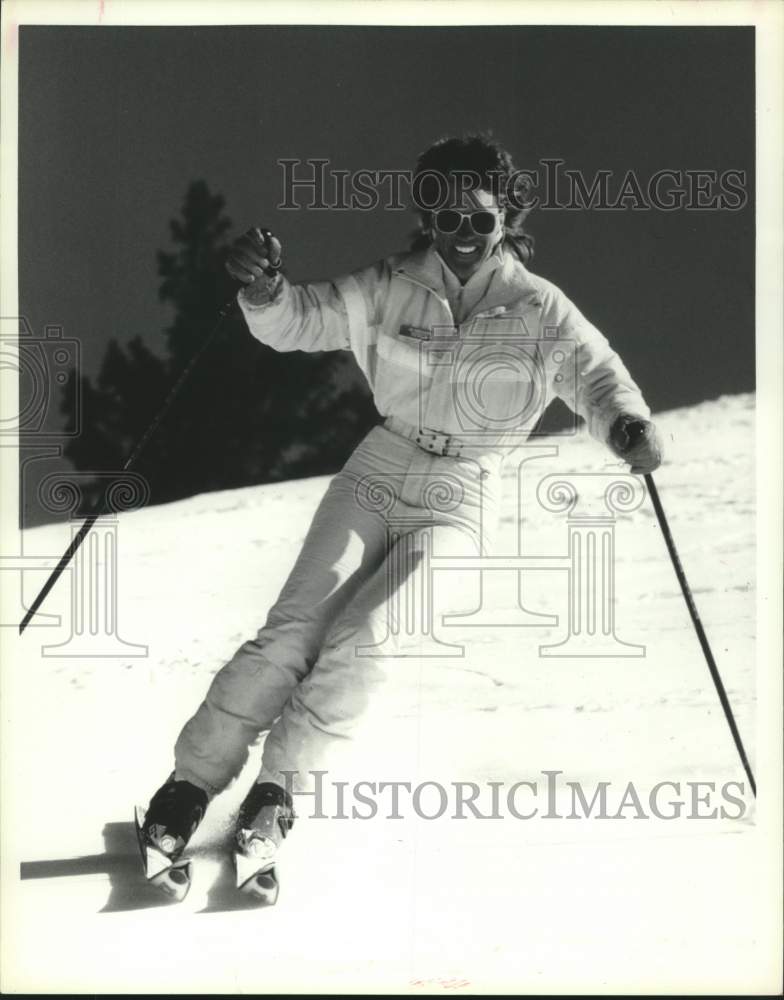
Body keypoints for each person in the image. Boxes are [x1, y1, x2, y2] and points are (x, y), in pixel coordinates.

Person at [138, 134, 662, 899]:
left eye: (479, 221)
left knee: (370, 637)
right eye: (446, 218)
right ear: (427, 215)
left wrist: (629, 427)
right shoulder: (389, 284)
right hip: (380, 468)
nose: (462, 236)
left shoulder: (539, 308)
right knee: (294, 632)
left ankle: (275, 797)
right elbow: (301, 319)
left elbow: (597, 376)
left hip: (462, 491)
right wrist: (264, 289)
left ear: (507, 218)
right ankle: (184, 792)